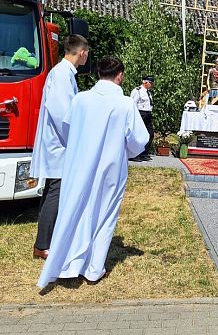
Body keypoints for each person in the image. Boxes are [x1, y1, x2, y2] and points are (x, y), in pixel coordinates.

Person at [37, 56, 149, 288]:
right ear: (120, 75)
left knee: (75, 209)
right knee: (105, 215)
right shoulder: (125, 103)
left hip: (80, 164)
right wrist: (123, 150)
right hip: (110, 167)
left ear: (99, 74)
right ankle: (94, 268)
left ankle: (67, 262)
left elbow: (67, 128)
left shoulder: (80, 99)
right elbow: (139, 140)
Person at [30, 34, 89, 260]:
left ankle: (45, 241)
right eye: (87, 52)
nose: (87, 56)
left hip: (59, 143)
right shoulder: (62, 74)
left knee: (52, 191)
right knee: (56, 191)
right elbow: (62, 113)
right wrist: (76, 139)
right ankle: (43, 244)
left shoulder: (64, 73)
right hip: (60, 144)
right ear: (81, 52)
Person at [130, 75, 154, 161]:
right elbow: (133, 103)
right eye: (150, 83)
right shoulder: (137, 91)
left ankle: (144, 153)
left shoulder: (148, 92)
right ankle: (134, 155)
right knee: (137, 135)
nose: (151, 84)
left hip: (147, 113)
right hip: (140, 113)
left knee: (150, 134)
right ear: (145, 82)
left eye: (152, 83)